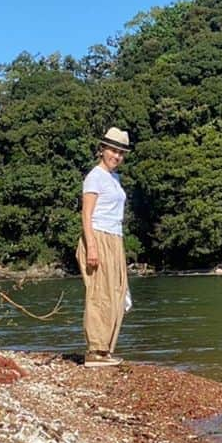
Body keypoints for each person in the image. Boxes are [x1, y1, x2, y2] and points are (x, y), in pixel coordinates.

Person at [77, 127, 132, 367]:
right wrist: (92, 247)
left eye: (120, 152)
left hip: (115, 237)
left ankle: (105, 350)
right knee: (100, 293)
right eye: (113, 150)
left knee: (116, 294)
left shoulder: (114, 178)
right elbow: (86, 214)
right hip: (98, 236)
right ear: (102, 150)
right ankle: (95, 351)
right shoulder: (95, 176)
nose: (116, 156)